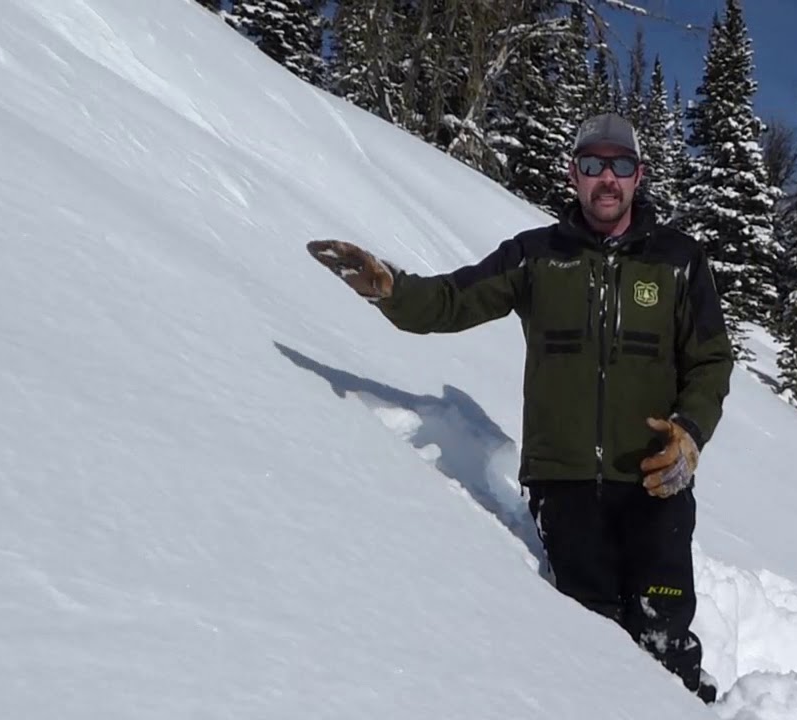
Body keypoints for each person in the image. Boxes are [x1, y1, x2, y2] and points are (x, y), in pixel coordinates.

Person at [307, 112, 733, 703]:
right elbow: (453, 300)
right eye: (593, 164)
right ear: (573, 174)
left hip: (655, 478)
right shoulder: (536, 256)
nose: (607, 178)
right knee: (593, 638)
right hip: (564, 482)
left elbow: (711, 360)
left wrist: (689, 431)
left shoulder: (679, 260)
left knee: (664, 636)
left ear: (639, 176)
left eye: (620, 165)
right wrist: (393, 290)